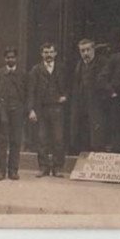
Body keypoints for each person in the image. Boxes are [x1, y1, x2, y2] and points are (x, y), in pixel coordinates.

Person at [27, 43, 67, 178]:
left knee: (58, 138)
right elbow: (30, 91)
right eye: (45, 52)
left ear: (55, 53)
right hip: (41, 108)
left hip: (57, 108)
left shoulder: (62, 68)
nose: (48, 55)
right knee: (42, 138)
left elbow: (70, 85)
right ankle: (44, 167)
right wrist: (31, 110)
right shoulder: (36, 70)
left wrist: (65, 96)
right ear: (41, 54)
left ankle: (57, 168)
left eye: (51, 52)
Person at [0, 47, 27, 181]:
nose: (10, 59)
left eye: (13, 57)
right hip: (3, 113)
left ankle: (13, 171)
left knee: (16, 141)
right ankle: (0, 171)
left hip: (17, 112)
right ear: (5, 59)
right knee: (1, 141)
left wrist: (23, 109)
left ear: (16, 58)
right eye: (8, 57)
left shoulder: (22, 74)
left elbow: (26, 93)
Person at [69, 38, 106, 154]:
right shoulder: (79, 65)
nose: (85, 53)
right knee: (83, 131)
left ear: (93, 49)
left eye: (88, 50)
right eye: (82, 51)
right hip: (82, 104)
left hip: (98, 104)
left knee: (97, 134)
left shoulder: (102, 63)